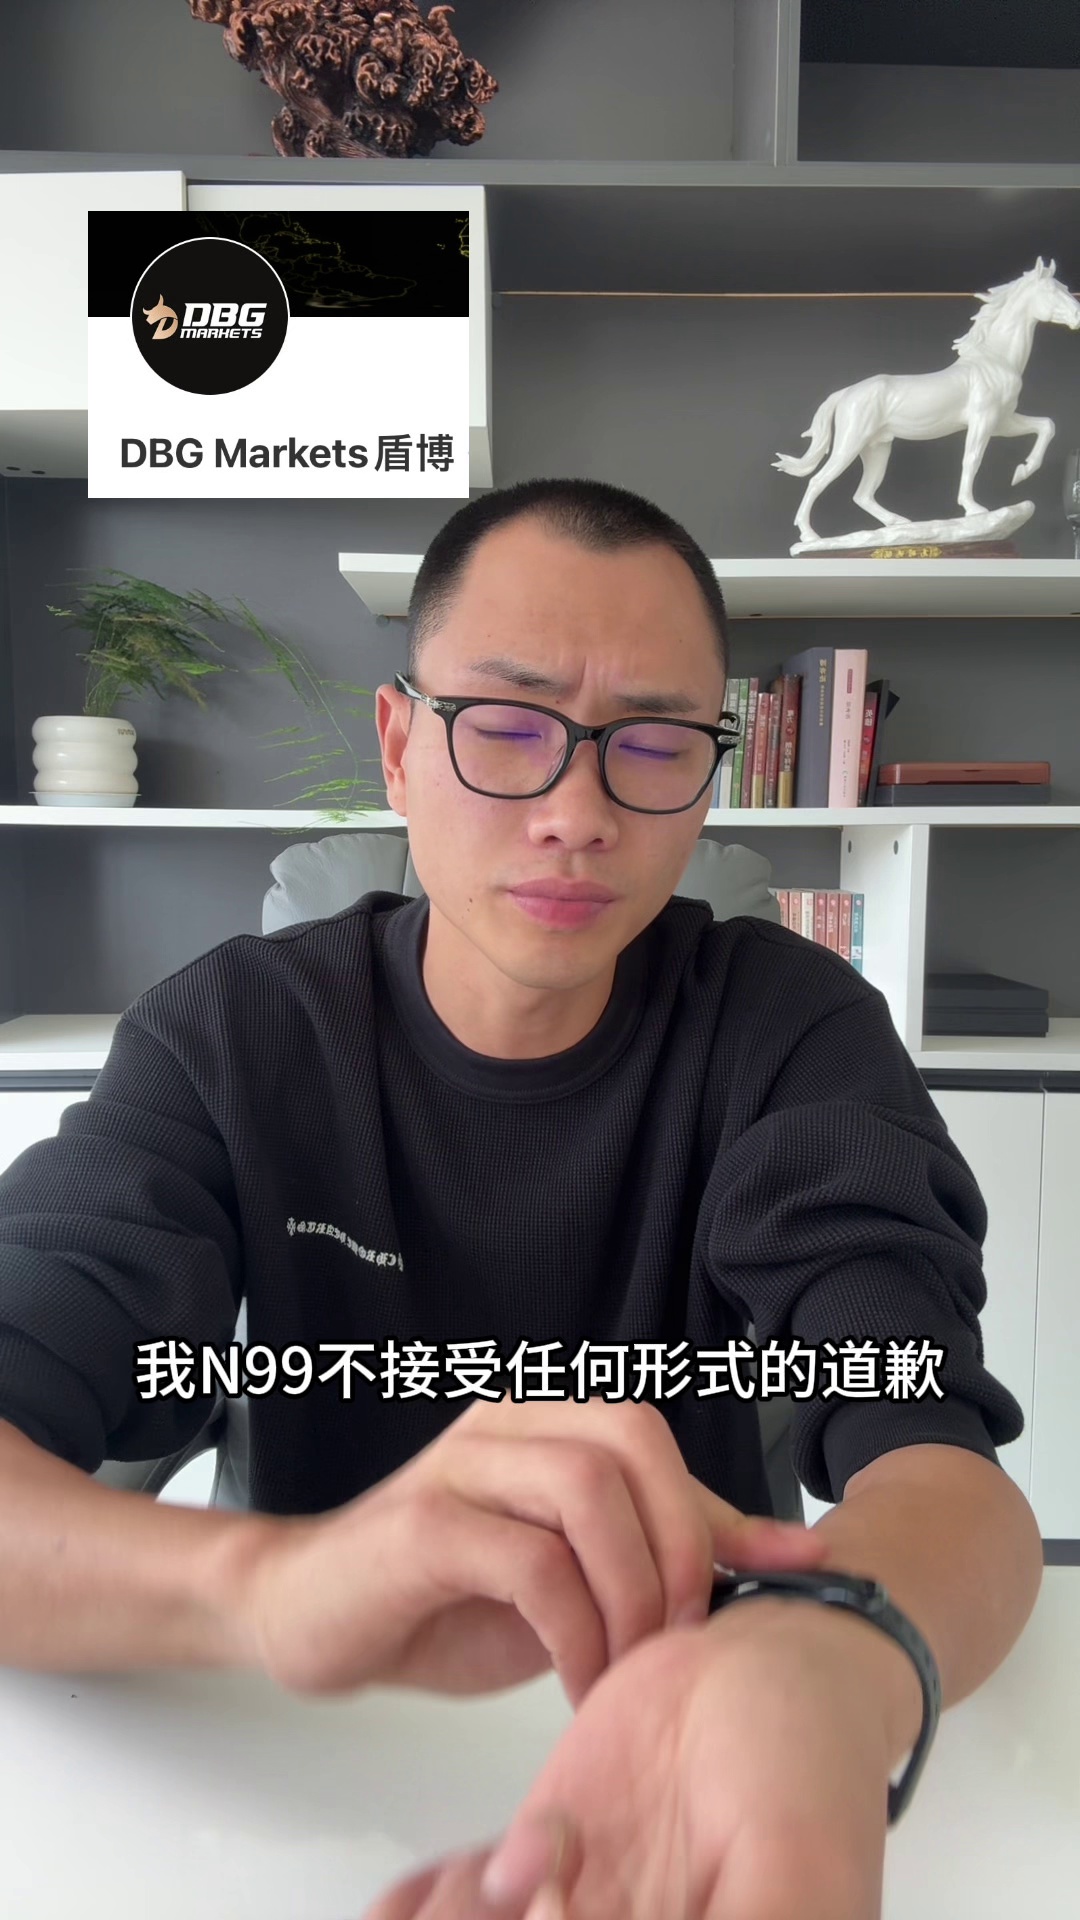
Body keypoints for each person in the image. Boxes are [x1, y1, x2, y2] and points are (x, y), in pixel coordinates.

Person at [0, 476, 1042, 1920]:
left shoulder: (790, 1031)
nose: (576, 814)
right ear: (398, 746)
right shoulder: (228, 1037)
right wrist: (272, 1590)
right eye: (504, 726)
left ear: (710, 777)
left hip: (694, 1711)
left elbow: (937, 1467)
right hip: (287, 1766)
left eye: (655, 743)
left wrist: (820, 1665)